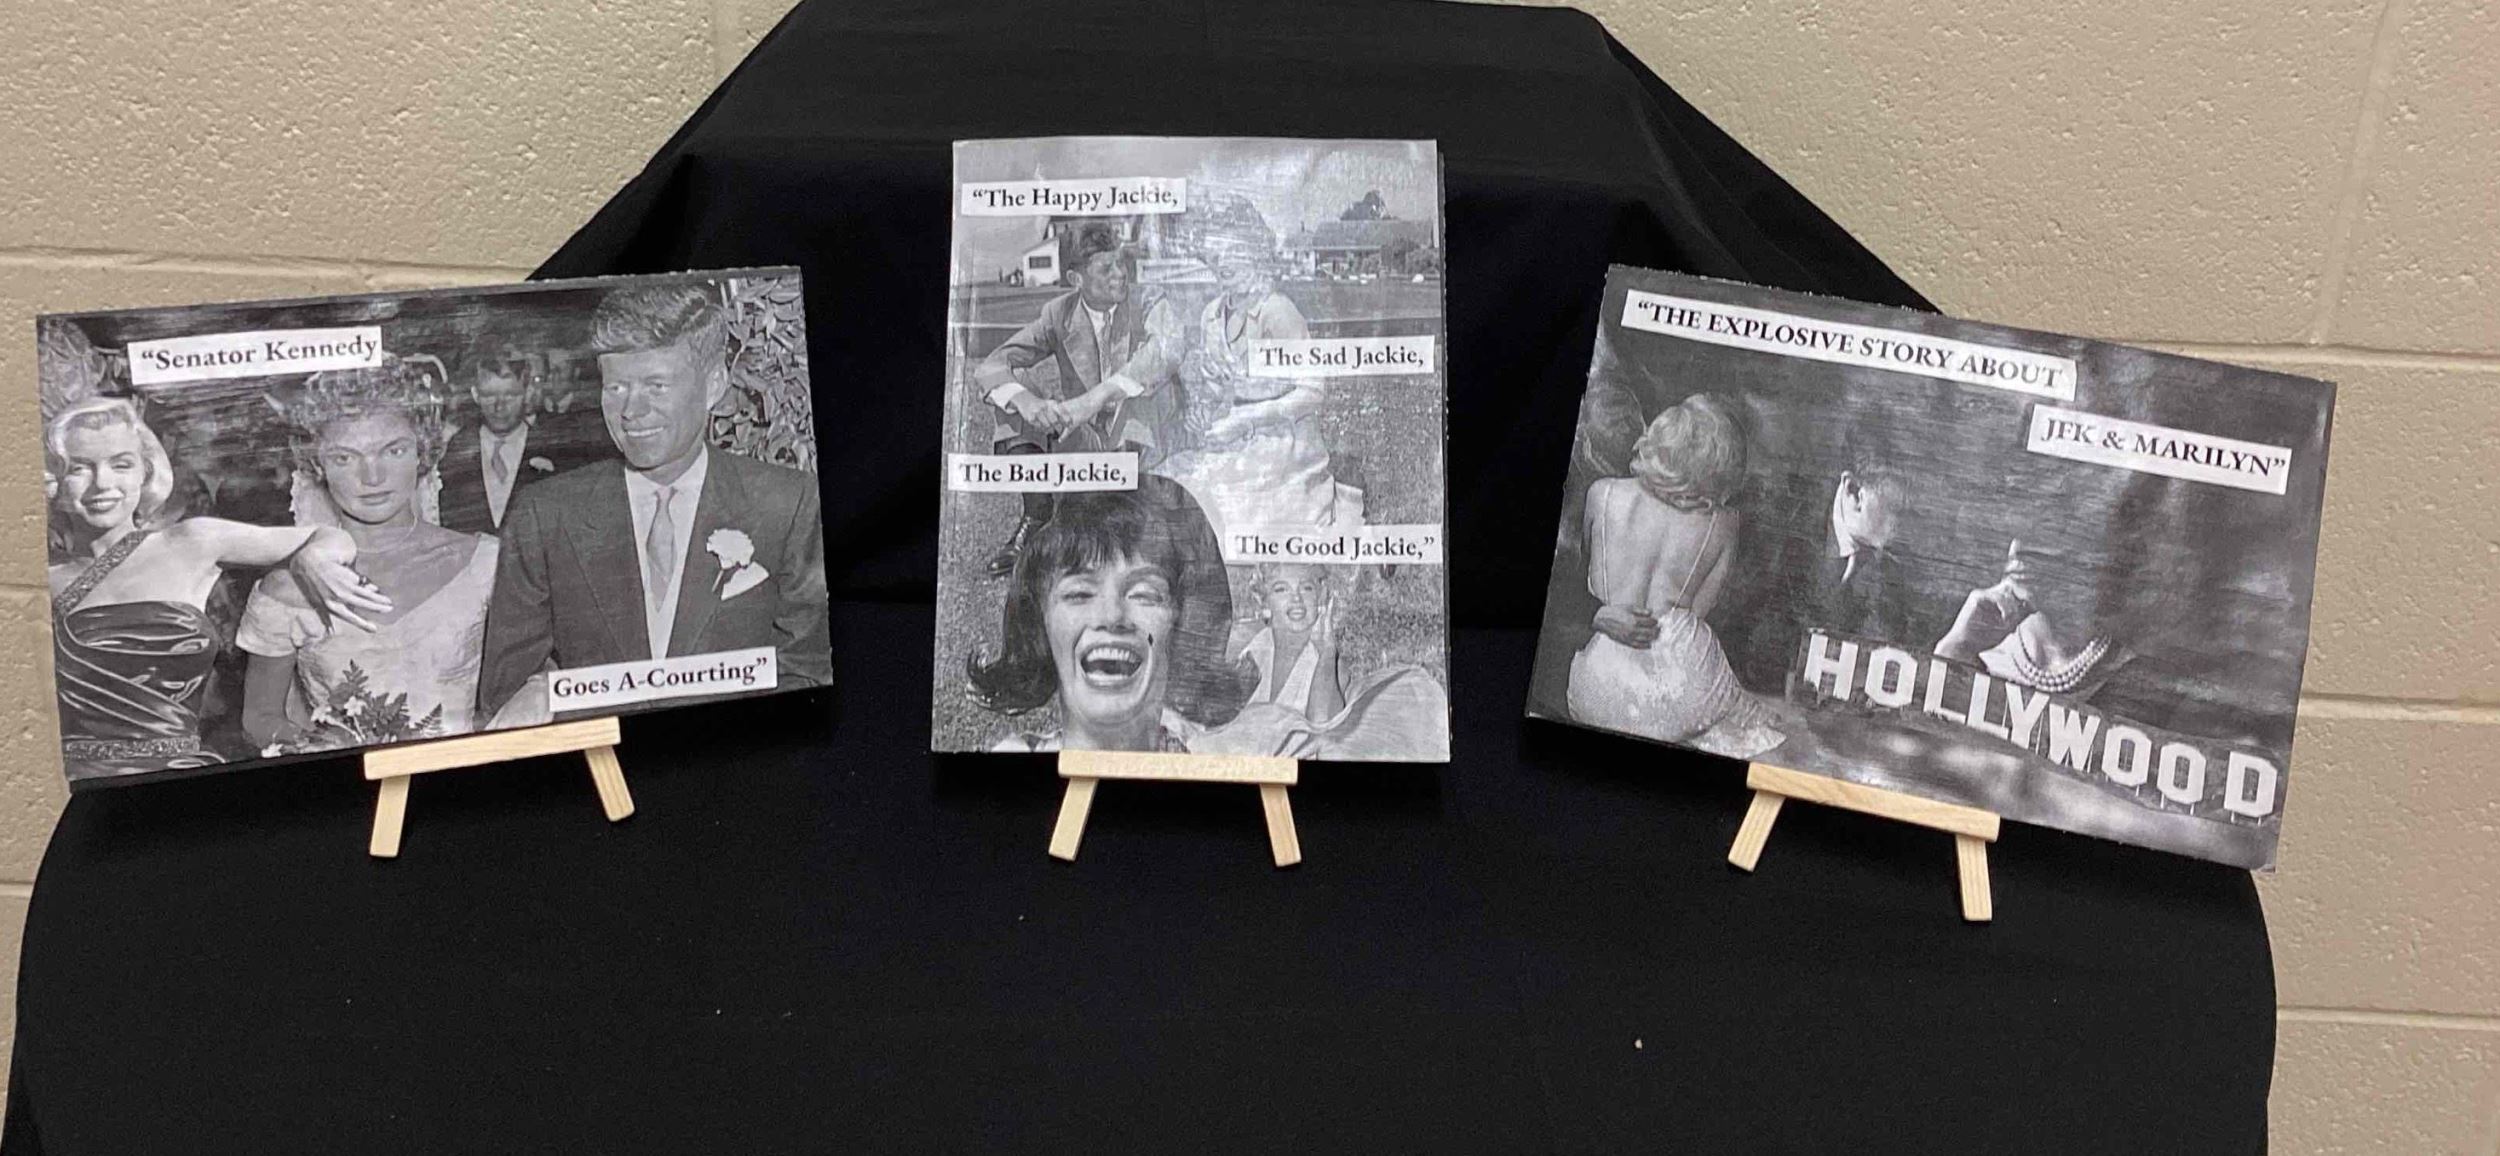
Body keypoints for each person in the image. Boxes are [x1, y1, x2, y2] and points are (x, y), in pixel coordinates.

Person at [477, 283, 831, 717]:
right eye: (616, 387)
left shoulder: (788, 504)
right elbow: (508, 697)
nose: (631, 410)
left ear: (714, 385)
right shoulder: (543, 516)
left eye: (656, 385)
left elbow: (808, 676)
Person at [972, 478, 1443, 759]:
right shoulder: (1014, 768)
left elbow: (1339, 738)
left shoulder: (1246, 742)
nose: (1112, 616)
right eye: (1079, 593)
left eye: (1144, 594)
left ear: (1182, 623)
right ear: (1039, 623)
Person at [45, 398, 389, 779]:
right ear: (54, 479)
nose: (102, 484)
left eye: (120, 464)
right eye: (80, 468)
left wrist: (312, 559)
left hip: (181, 775)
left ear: (145, 471)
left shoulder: (191, 542)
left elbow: (332, 537)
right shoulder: (43, 581)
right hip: (80, 782)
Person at [238, 358, 510, 753]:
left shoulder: (486, 564)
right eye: (345, 458)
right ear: (318, 464)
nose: (373, 477)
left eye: (393, 451)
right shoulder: (286, 589)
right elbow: (259, 718)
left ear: (423, 451)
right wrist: (321, 744)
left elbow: (534, 680)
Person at [1564, 394, 1784, 758]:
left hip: (1598, 682)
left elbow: (1581, 578)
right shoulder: (1724, 523)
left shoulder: (1601, 494)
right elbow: (1698, 610)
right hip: (1681, 689)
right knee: (1749, 724)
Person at [972, 221, 1184, 576]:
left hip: (1144, 445)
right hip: (1089, 441)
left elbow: (1168, 350)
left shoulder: (1149, 300)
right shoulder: (1059, 313)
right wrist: (1028, 403)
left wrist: (1094, 399)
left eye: (1121, 263)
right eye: (1106, 269)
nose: (1120, 275)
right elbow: (993, 365)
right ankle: (1037, 517)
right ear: (1076, 279)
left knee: (1140, 390)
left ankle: (1126, 514)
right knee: (1014, 386)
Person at [1151, 231, 1359, 545]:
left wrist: (1245, 421)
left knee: (1244, 517)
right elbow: (1219, 388)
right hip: (1230, 435)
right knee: (1171, 484)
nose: (1223, 263)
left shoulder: (1278, 311)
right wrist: (1204, 413)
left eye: (1234, 253)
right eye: (1216, 255)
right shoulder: (1211, 314)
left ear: (1257, 260)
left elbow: (1313, 391)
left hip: (1282, 439)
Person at [437, 337, 593, 534]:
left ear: (527, 393)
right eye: (489, 396)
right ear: (475, 395)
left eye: (510, 395)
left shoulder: (555, 449)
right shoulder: (456, 451)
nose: (499, 406)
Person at [1232, 562, 1346, 721]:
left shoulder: (1332, 664)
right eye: (1281, 589)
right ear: (1265, 600)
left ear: (1320, 596)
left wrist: (1327, 653)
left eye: (1306, 588)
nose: (1296, 598)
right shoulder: (1256, 649)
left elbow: (1323, 725)